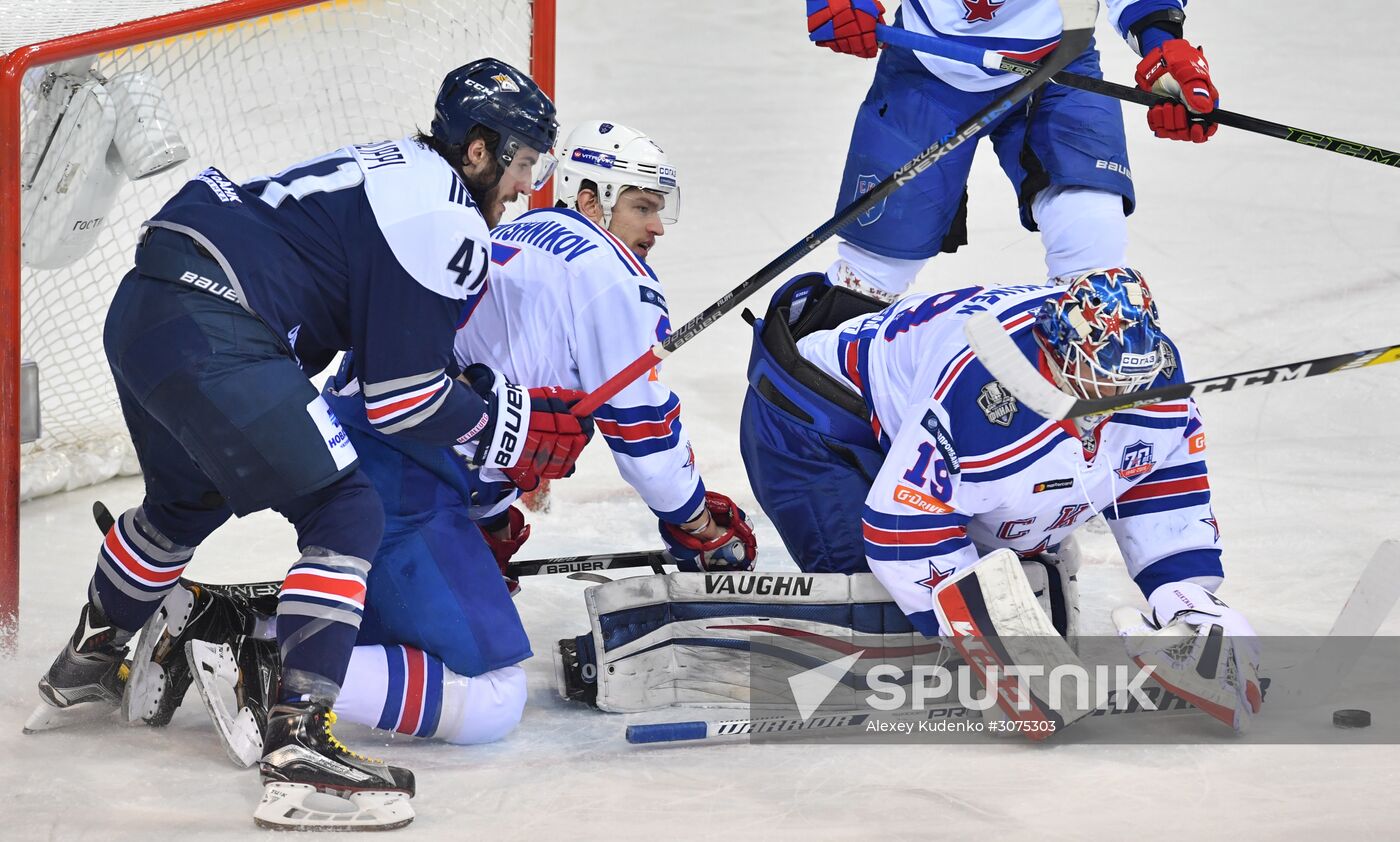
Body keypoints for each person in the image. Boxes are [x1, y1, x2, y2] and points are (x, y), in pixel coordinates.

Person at [26, 58, 594, 830]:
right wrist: (507, 425)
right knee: (347, 508)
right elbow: (404, 400)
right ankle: (300, 741)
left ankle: (85, 667)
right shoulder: (445, 217)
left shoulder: (396, 165)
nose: (529, 186)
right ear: (479, 151)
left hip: (144, 309)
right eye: (524, 162)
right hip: (221, 325)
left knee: (184, 502)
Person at [130, 119, 756, 762]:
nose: (657, 227)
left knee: (400, 611)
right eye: (643, 206)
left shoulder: (498, 229)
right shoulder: (615, 276)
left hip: (351, 441)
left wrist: (483, 515)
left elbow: (468, 364)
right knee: (492, 696)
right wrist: (698, 524)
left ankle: (221, 621)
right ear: (590, 198)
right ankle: (263, 666)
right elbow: (645, 438)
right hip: (410, 478)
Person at [737, 267, 1262, 728]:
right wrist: (991, 645)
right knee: (887, 639)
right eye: (1101, 380)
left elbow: (1161, 479)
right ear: (1057, 349)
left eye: (1128, 382)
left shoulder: (1151, 368)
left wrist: (1185, 597)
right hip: (816, 425)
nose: (1117, 398)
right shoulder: (984, 392)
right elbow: (901, 529)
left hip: (921, 410)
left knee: (1018, 575)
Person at [804, 0, 1220, 300]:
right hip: (925, 66)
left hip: (1056, 67)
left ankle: (1080, 401)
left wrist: (1163, 47)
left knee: (1093, 244)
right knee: (870, 278)